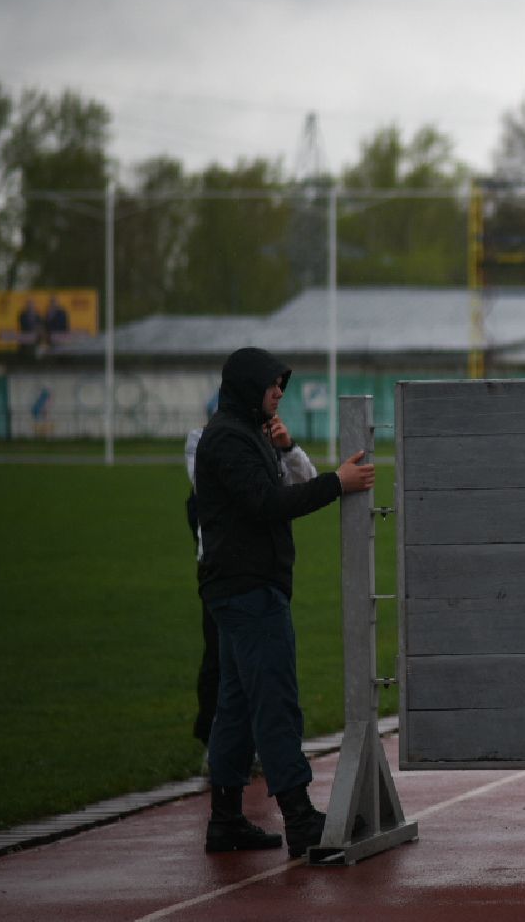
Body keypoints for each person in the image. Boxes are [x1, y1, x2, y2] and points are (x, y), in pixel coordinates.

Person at [194, 347, 374, 856]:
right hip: (248, 590)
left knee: (235, 705)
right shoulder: (229, 438)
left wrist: (288, 448)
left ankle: (225, 819)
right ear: (250, 386)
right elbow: (267, 505)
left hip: (240, 588)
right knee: (275, 701)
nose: (279, 394)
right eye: (274, 386)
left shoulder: (246, 431)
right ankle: (299, 818)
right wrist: (337, 484)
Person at [185, 403, 318, 754]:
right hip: (224, 568)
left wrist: (286, 447)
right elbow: (253, 495)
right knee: (223, 663)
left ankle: (236, 760)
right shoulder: (208, 442)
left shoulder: (267, 441)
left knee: (255, 672)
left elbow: (304, 482)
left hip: (266, 570)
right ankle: (221, 748)